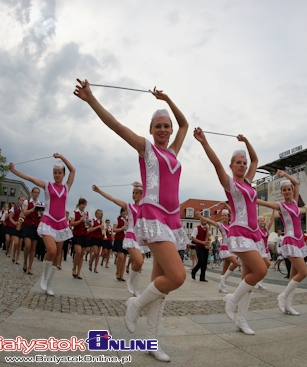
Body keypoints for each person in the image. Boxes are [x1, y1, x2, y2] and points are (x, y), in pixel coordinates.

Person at [76, 80, 188, 362]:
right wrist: (91, 100)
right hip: (153, 217)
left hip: (172, 221)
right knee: (177, 277)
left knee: (161, 287)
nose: (163, 130)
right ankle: (135, 303)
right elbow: (116, 126)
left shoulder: (173, 152)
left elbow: (185, 124)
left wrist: (168, 98)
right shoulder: (146, 149)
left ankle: (151, 341)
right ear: (151, 130)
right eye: (158, 126)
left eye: (166, 126)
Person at [194, 127, 266, 335]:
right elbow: (216, 163)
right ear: (232, 166)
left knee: (248, 279)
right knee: (260, 271)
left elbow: (255, 160)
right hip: (240, 233)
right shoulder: (230, 184)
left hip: (254, 235)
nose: (243, 165)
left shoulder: (249, 182)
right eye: (238, 163)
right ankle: (231, 300)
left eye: (243, 163)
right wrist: (204, 142)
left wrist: (247, 141)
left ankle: (241, 320)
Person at [9, 154, 75, 296]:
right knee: (51, 251)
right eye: (55, 173)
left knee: (57, 256)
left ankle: (50, 284)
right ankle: (44, 276)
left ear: (64, 174)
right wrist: (14, 171)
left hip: (61, 223)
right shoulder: (47, 185)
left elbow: (73, 170)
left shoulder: (66, 187)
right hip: (48, 221)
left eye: (59, 173)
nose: (57, 175)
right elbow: (29, 178)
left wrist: (62, 157)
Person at [258, 172, 307, 315]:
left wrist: (285, 174)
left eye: (289, 189)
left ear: (292, 191)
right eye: (284, 190)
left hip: (299, 241)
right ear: (281, 193)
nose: (287, 192)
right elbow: (264, 203)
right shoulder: (281, 205)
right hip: (290, 241)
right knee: (303, 272)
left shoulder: (295, 202)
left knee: (293, 276)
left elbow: (297, 183)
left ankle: (288, 305)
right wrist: (251, 197)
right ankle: (283, 296)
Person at [93, 184, 147, 295]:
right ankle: (130, 282)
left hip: (141, 238)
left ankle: (135, 289)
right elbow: (113, 199)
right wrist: (99, 191)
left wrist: (141, 185)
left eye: (137, 193)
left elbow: (154, 192)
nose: (134, 195)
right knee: (138, 261)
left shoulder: (146, 207)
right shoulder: (130, 207)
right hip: (131, 235)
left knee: (140, 264)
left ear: (142, 195)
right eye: (133, 193)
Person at [198, 208, 240, 293]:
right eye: (222, 216)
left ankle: (220, 286)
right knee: (236, 263)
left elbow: (234, 212)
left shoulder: (231, 224)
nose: (223, 217)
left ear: (229, 217)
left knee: (225, 267)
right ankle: (223, 278)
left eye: (225, 215)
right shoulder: (221, 225)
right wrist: (201, 216)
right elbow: (210, 221)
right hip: (225, 248)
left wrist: (225, 204)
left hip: (230, 248)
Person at [70, 198, 89, 279]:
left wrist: (88, 222)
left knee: (82, 254)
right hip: (77, 234)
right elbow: (71, 223)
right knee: (78, 251)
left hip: (84, 235)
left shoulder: (87, 213)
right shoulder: (74, 212)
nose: (83, 206)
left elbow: (90, 225)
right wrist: (80, 220)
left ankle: (78, 272)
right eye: (82, 204)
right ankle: (74, 268)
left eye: (85, 204)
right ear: (79, 204)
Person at [256, 211, 276, 290]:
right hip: (259, 250)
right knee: (266, 264)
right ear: (257, 222)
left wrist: (273, 211)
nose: (263, 222)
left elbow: (271, 220)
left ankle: (260, 281)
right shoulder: (256, 230)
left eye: (263, 221)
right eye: (261, 221)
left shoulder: (266, 230)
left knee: (265, 266)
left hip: (265, 250)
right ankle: (258, 281)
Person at [191, 218, 210, 282]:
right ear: (201, 221)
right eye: (204, 220)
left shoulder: (207, 228)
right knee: (201, 260)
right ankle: (194, 271)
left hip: (206, 247)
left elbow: (208, 237)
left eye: (206, 220)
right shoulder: (197, 228)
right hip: (199, 246)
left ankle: (202, 277)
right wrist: (201, 242)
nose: (206, 222)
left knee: (204, 262)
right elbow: (192, 238)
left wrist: (208, 236)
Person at [8, 196, 25, 265]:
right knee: (16, 243)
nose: (22, 201)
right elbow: (10, 218)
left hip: (22, 227)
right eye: (21, 200)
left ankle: (17, 258)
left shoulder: (25, 209)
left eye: (23, 200)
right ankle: (14, 255)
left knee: (20, 244)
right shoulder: (14, 208)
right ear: (18, 201)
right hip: (15, 227)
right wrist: (15, 223)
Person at [112, 208, 128, 281]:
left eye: (126, 211)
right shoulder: (117, 220)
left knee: (124, 258)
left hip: (126, 240)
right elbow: (114, 229)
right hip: (119, 240)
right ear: (121, 212)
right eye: (124, 211)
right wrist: (121, 229)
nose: (125, 213)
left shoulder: (128, 220)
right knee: (120, 257)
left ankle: (122, 274)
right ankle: (117, 272)